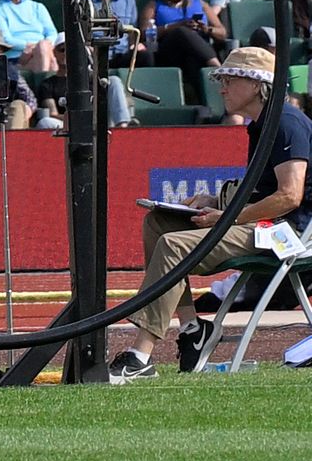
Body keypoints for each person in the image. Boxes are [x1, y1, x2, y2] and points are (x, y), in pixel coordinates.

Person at [116, 46, 312, 375]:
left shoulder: (285, 123)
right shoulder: (264, 123)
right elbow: (263, 188)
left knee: (173, 246)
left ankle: (140, 357)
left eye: (229, 80)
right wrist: (214, 200)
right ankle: (193, 329)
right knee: (158, 223)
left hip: (284, 233)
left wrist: (227, 216)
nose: (221, 87)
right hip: (265, 223)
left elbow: (289, 197)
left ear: (255, 84)